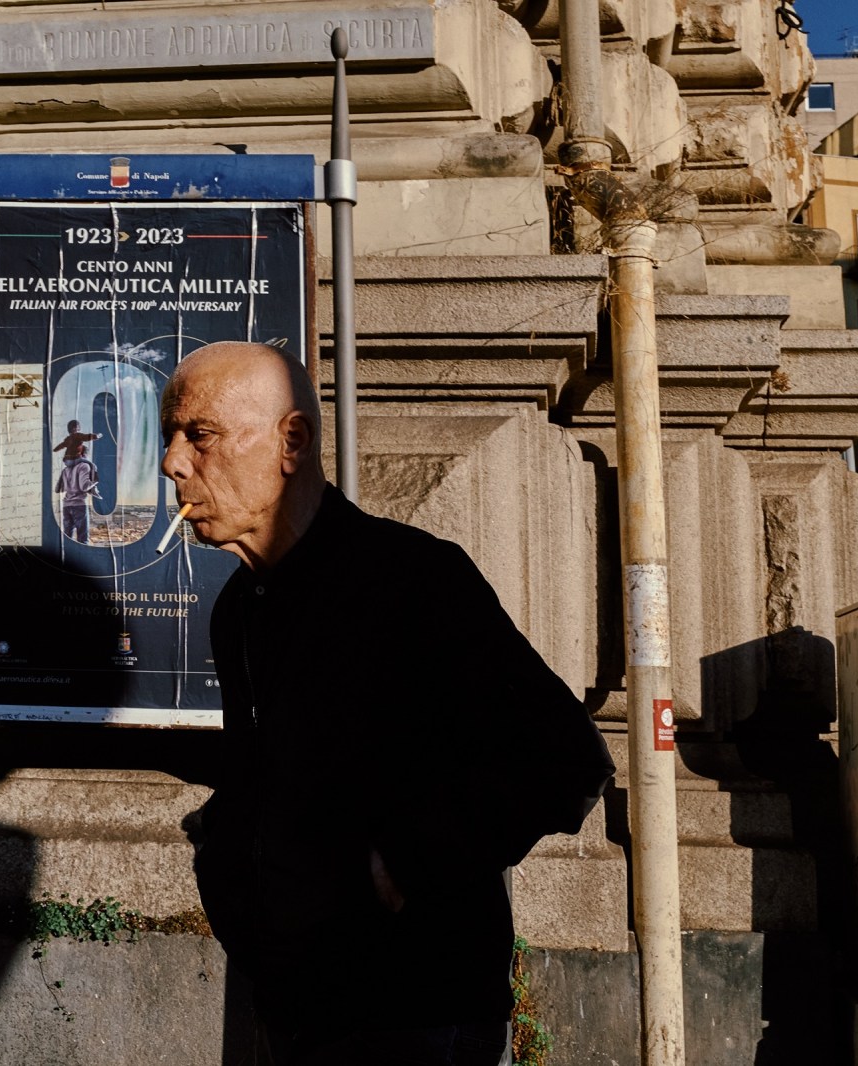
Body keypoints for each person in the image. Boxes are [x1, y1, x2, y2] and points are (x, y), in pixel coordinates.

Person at [160, 341, 616, 1066]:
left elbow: (565, 758)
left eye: (200, 435)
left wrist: (410, 859)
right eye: (172, 438)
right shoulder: (240, 607)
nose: (173, 464)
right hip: (304, 1009)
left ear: (292, 441)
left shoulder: (411, 579)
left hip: (416, 1010)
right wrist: (227, 865)